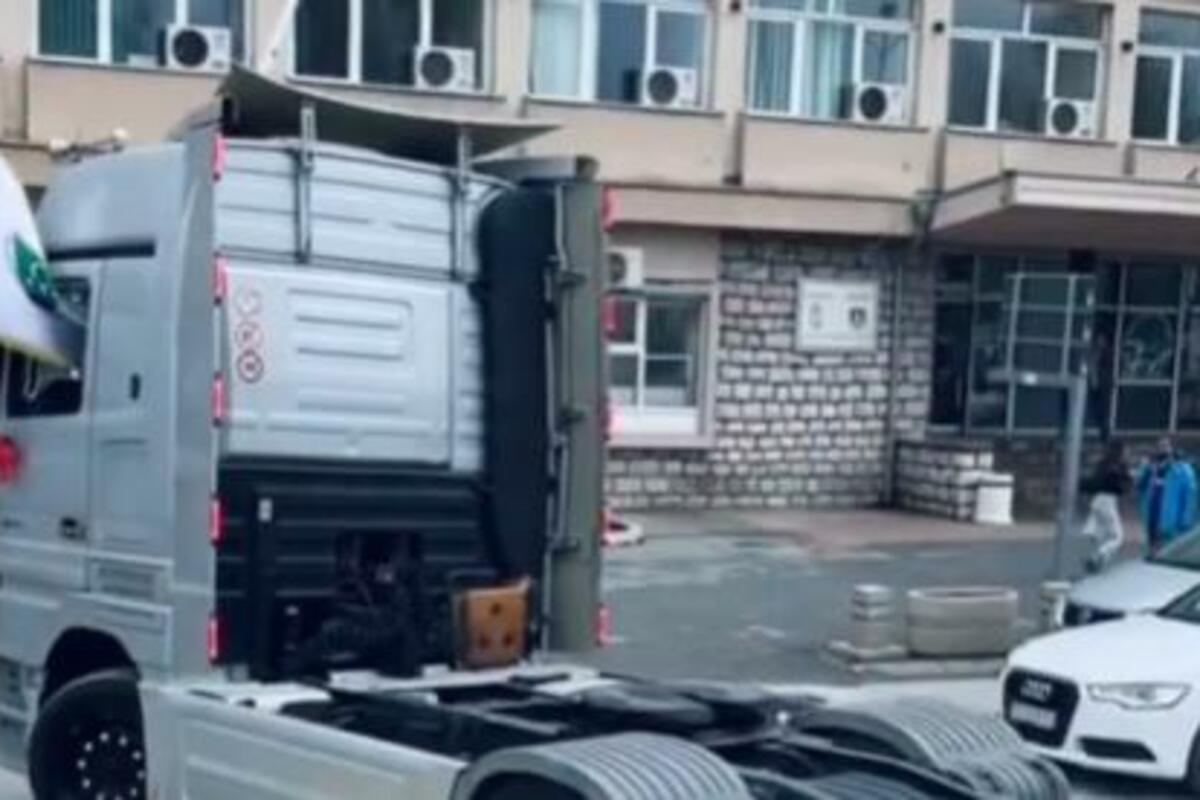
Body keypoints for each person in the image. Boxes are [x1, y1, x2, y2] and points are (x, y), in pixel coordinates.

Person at [1136, 437, 1198, 553]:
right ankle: (1153, 552)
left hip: (1171, 513)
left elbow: (1189, 493)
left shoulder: (1181, 468)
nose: (1162, 449)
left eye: (1166, 446)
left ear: (1172, 448)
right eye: (1160, 446)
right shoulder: (1152, 467)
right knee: (1153, 534)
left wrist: (1186, 518)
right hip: (1154, 507)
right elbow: (1140, 485)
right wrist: (1146, 468)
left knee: (1169, 542)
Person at [1079, 441, 1130, 573]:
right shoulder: (1116, 467)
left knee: (1104, 536)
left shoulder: (1103, 464)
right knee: (1117, 537)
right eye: (1125, 451)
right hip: (1107, 501)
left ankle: (1097, 563)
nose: (1127, 454)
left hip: (1099, 500)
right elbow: (1121, 486)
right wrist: (1125, 481)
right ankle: (1097, 557)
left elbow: (1094, 481)